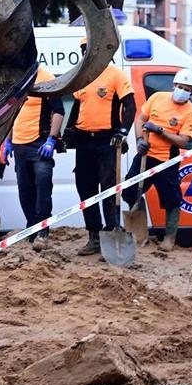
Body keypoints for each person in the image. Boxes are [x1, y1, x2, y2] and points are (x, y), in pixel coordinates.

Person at [66, 39, 136, 255]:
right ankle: (94, 237)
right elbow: (78, 105)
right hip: (85, 142)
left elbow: (131, 105)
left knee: (108, 189)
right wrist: (69, 130)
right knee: (86, 189)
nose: (87, 54)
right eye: (84, 51)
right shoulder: (82, 77)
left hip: (108, 142)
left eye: (90, 50)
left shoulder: (115, 74)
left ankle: (112, 229)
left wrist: (122, 132)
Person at [121, 69, 192, 250]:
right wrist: (140, 140)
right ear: (174, 85)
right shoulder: (157, 98)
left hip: (167, 160)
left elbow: (183, 140)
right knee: (130, 192)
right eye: (180, 87)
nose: (182, 91)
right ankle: (139, 235)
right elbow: (140, 119)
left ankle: (169, 239)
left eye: (186, 89)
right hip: (145, 155)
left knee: (171, 199)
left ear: (191, 92)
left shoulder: (190, 112)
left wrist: (159, 131)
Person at [2, 67, 64, 243]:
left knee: (43, 187)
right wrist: (7, 141)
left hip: (39, 145)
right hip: (19, 146)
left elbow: (59, 110)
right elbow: (10, 114)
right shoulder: (17, 78)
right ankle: (31, 226)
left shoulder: (47, 79)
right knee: (25, 190)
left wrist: (51, 139)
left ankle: (43, 230)